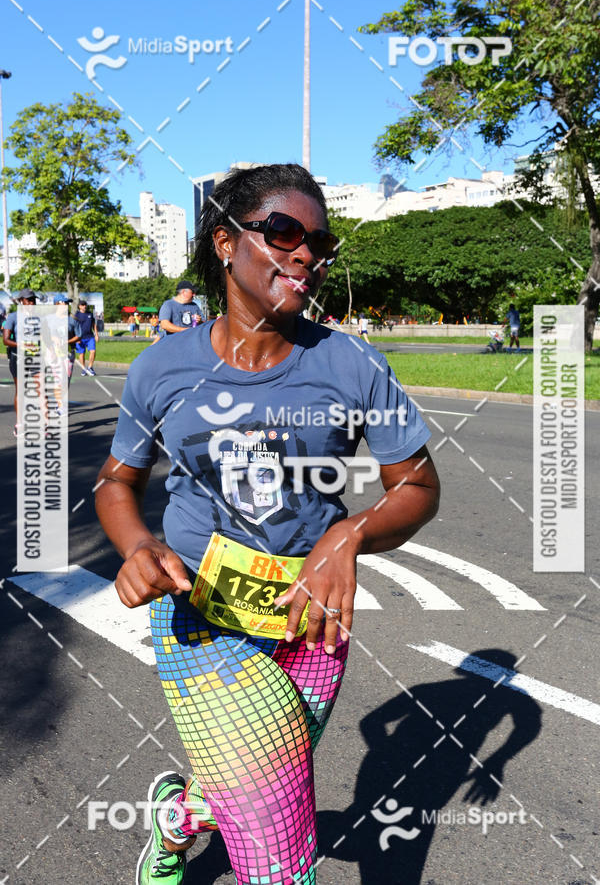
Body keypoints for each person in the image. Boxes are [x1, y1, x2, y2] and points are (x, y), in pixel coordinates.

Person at [95, 164, 440, 885]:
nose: (306, 252)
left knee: (251, 785)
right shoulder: (161, 369)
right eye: (283, 232)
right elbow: (117, 483)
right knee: (281, 855)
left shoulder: (350, 364)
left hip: (316, 620)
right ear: (226, 242)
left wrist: (349, 535)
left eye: (319, 240)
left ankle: (177, 817)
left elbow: (417, 486)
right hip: (202, 616)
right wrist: (137, 545)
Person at [3, 287, 37, 436]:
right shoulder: (12, 317)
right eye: (28, 300)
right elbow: (5, 340)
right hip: (18, 357)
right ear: (21, 302)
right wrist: (23, 345)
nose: (31, 303)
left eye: (33, 300)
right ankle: (20, 423)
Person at [74, 299, 99, 375]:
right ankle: (83, 368)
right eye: (82, 305)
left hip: (90, 337)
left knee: (93, 351)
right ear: (79, 306)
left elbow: (94, 324)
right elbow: (74, 327)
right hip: (80, 338)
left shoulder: (90, 314)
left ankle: (90, 367)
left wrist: (96, 334)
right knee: (81, 354)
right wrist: (76, 338)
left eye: (85, 305)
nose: (84, 306)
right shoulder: (76, 315)